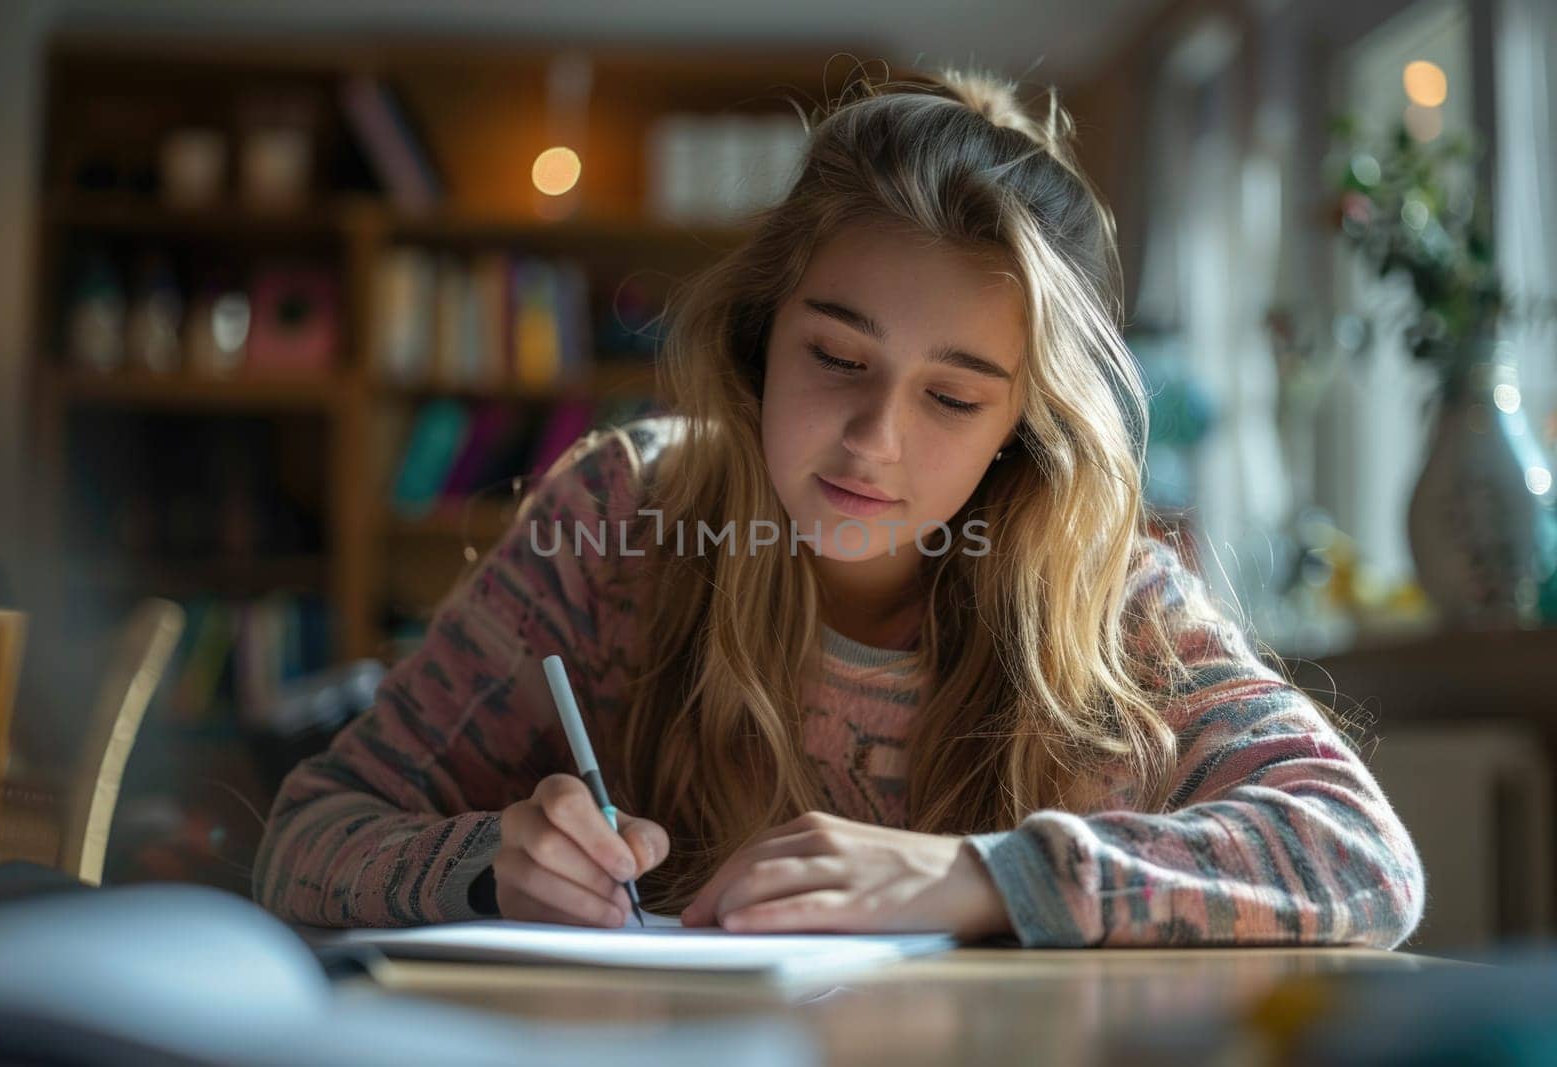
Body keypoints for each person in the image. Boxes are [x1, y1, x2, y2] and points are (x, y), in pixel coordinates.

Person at [252, 66, 1425, 947]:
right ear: (761, 340)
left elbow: (1364, 856)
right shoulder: (615, 519)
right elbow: (304, 835)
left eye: (953, 398)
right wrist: (485, 864)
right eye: (837, 358)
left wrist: (982, 875)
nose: (874, 440)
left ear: (1021, 427)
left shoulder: (1104, 590)